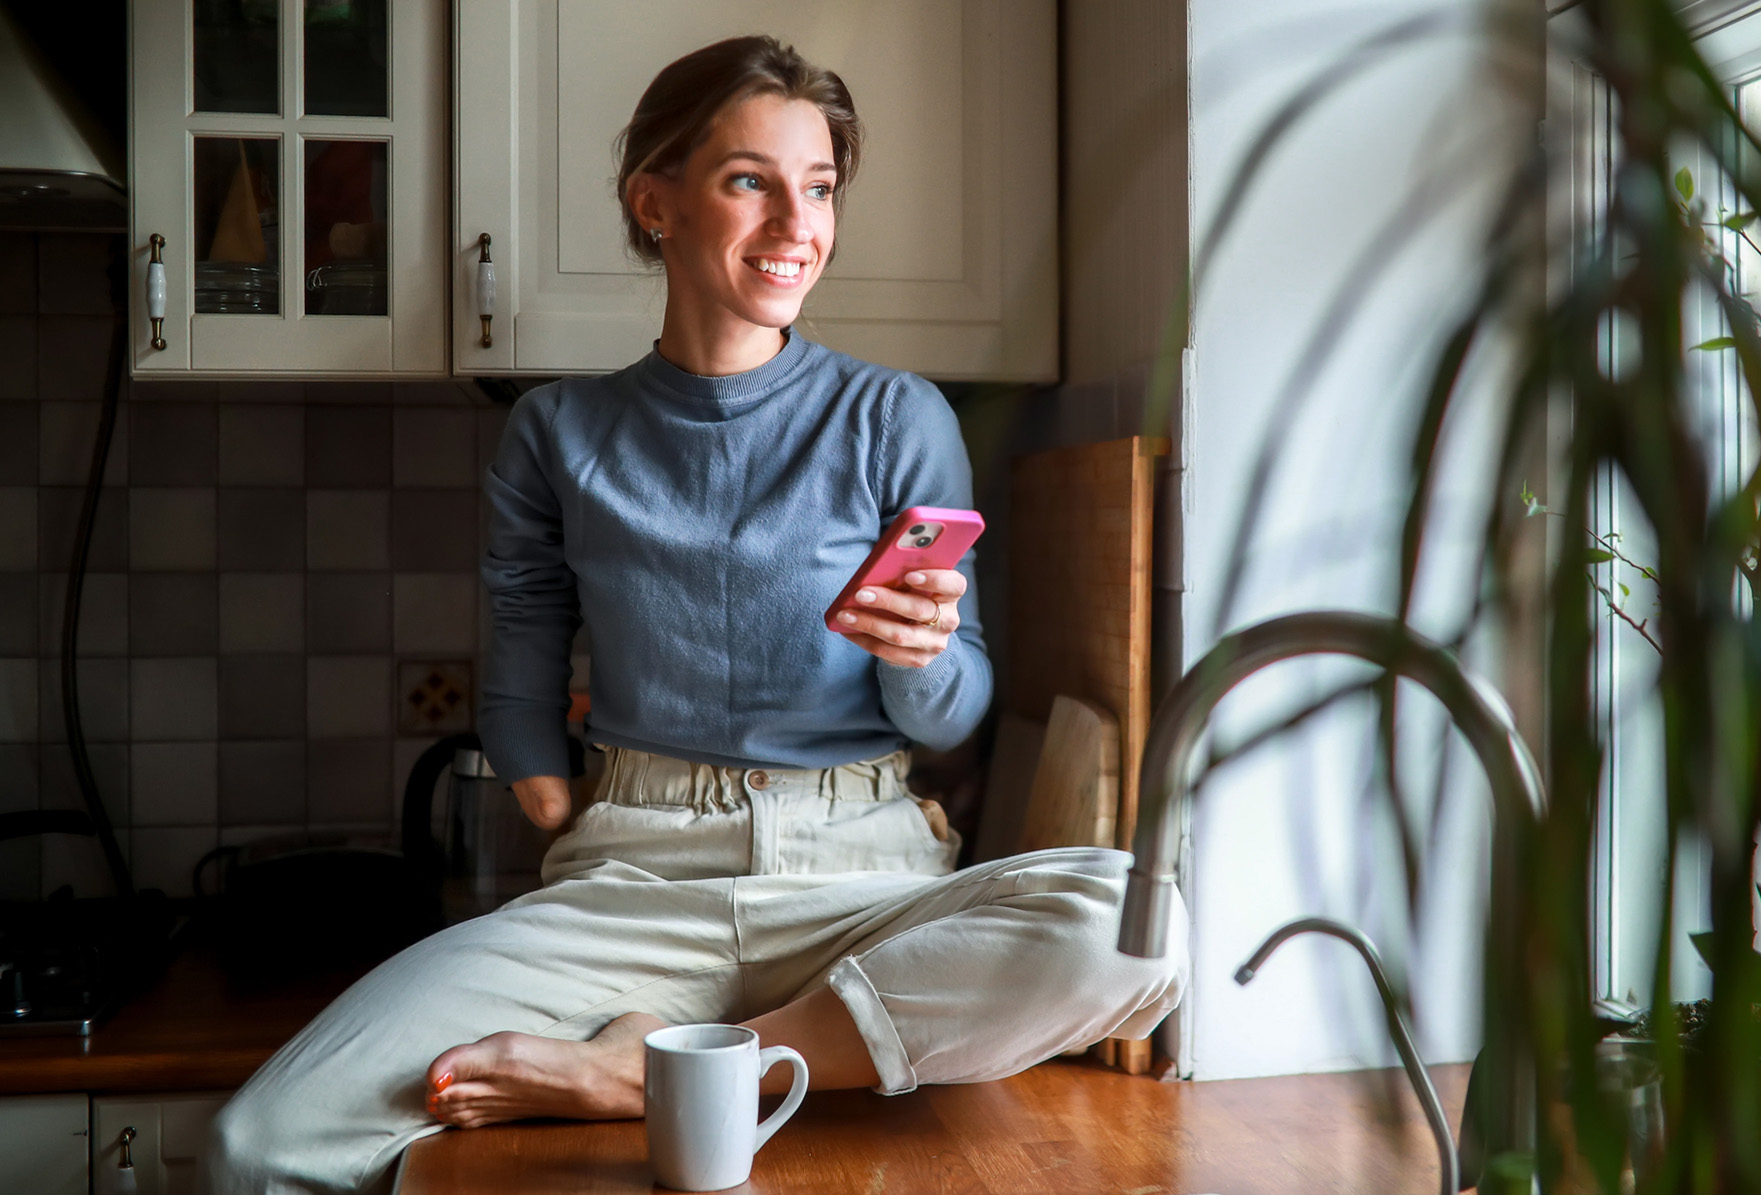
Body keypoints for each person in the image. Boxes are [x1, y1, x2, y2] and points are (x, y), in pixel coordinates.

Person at [206, 35, 1186, 1194]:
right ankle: (714, 1051)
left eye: (818, 187)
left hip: (859, 881)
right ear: (653, 201)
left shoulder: (895, 415)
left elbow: (956, 707)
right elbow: (521, 629)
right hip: (632, 879)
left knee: (1139, 922)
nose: (797, 225)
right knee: (258, 1143)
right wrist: (540, 774)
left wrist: (921, 659)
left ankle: (661, 1070)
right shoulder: (559, 432)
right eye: (750, 181)